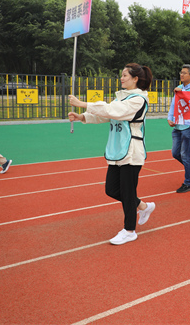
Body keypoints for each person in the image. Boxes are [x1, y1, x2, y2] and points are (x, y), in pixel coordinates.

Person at [68, 63, 154, 245]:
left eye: (125, 75)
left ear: (135, 79)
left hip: (131, 151)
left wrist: (83, 104)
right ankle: (143, 206)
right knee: (112, 190)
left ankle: (129, 230)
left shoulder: (138, 99)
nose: (121, 78)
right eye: (121, 75)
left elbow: (112, 111)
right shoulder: (121, 98)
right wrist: (82, 116)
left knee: (128, 192)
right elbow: (106, 115)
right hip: (118, 150)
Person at [167, 64, 190, 193]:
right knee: (175, 153)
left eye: (184, 73)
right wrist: (170, 118)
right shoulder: (180, 88)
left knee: (186, 155)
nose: (181, 75)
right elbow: (174, 104)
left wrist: (181, 92)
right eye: (181, 72)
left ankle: (188, 183)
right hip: (178, 124)